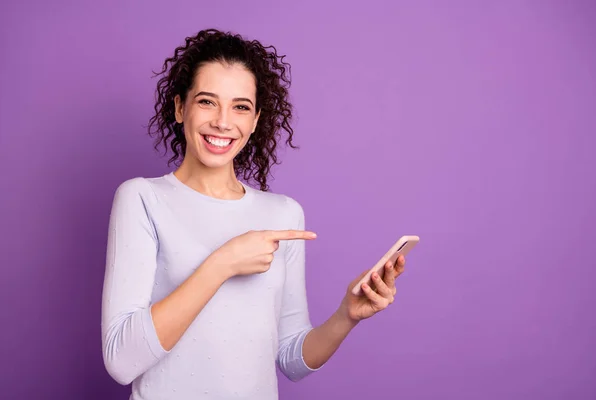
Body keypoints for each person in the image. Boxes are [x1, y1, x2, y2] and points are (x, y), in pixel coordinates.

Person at [101, 28, 406, 400]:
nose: (223, 122)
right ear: (180, 108)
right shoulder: (142, 199)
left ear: (257, 119)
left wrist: (347, 315)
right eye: (207, 102)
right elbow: (120, 361)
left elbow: (291, 360)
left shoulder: (283, 213)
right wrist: (222, 264)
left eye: (241, 106)